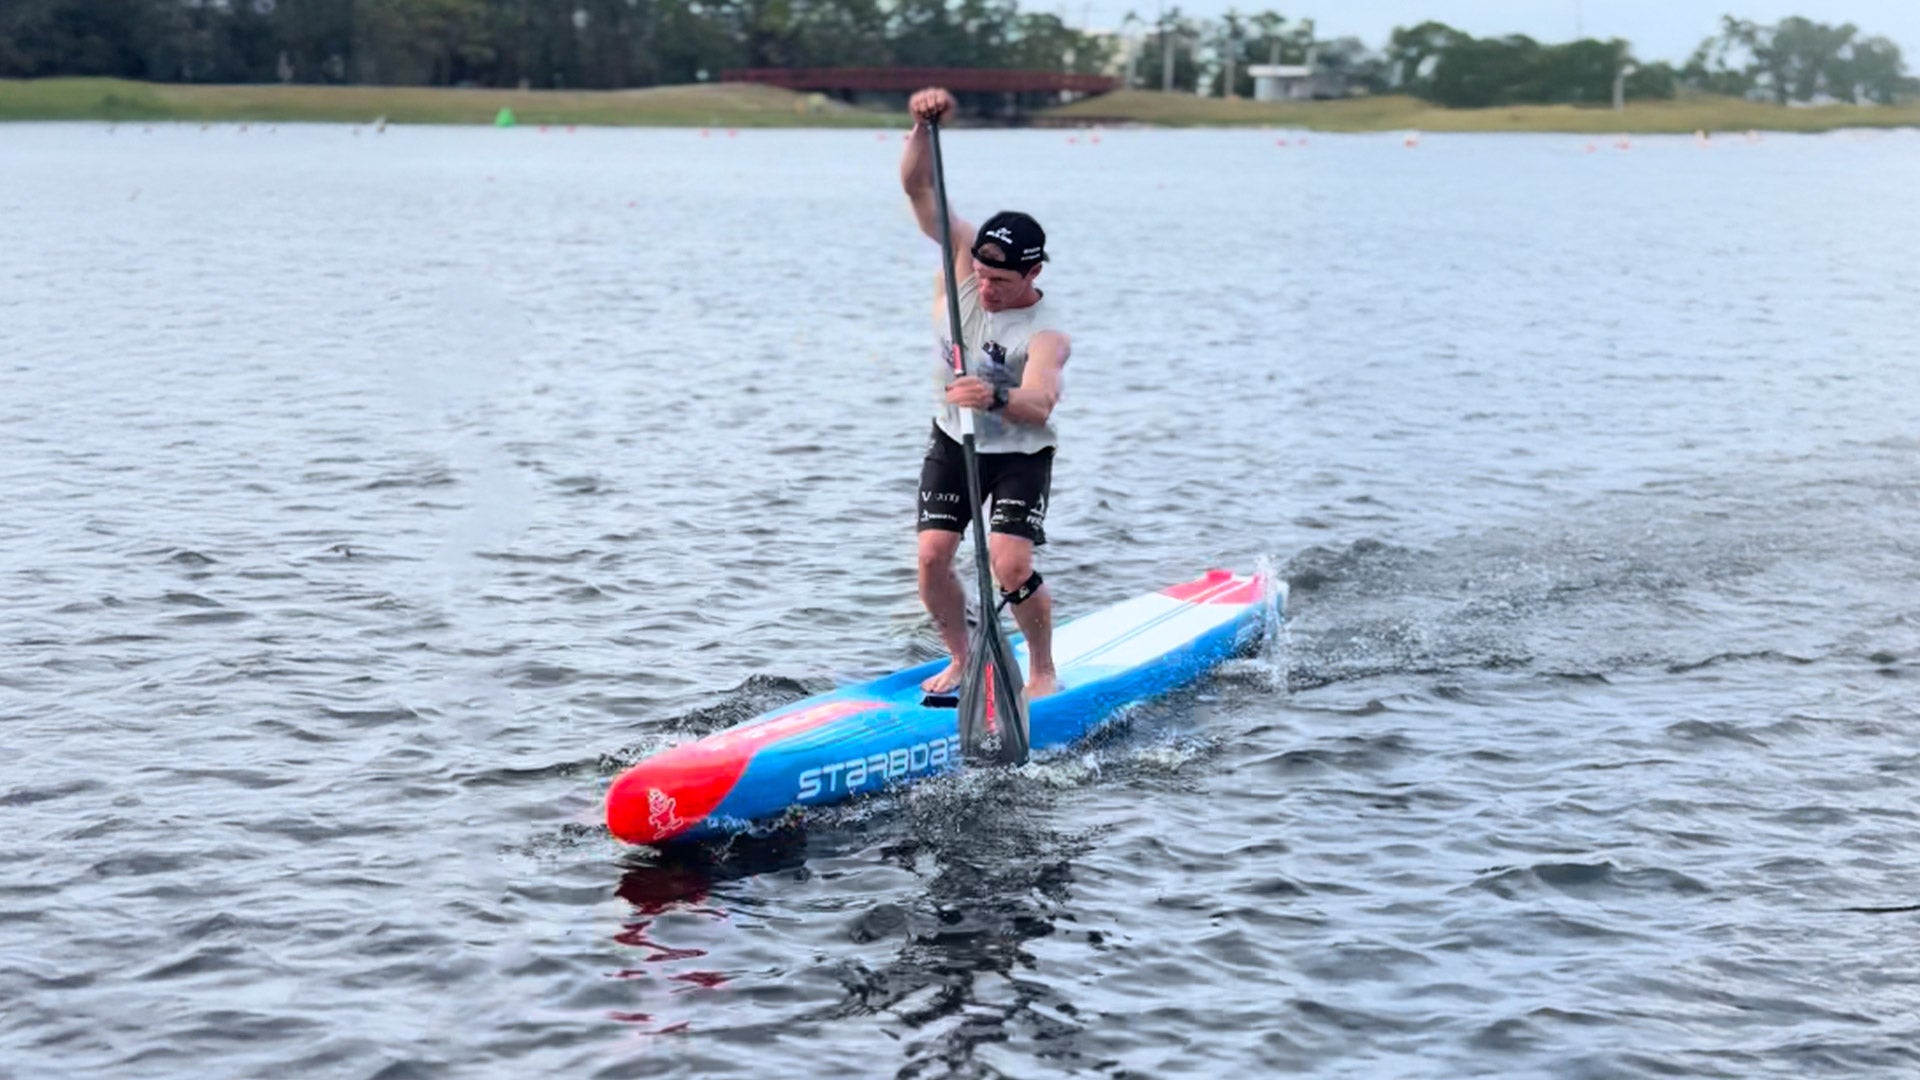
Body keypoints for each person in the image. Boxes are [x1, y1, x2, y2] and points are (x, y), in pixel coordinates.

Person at [900, 87, 1072, 701]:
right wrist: (922, 128)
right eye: (981, 275)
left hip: (1019, 453)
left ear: (1034, 273)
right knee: (931, 558)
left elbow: (1040, 403)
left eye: (1001, 280)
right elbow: (917, 188)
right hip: (953, 440)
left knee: (1010, 565)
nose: (987, 289)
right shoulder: (961, 257)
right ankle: (963, 658)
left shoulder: (1046, 331)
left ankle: (1042, 671)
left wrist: (995, 398)